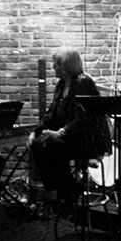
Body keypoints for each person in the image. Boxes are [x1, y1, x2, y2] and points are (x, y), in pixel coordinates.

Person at [30, 46, 110, 211]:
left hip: (85, 138)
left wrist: (61, 132)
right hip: (67, 137)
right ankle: (64, 189)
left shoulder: (83, 82)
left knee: (53, 145)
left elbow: (85, 118)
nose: (52, 67)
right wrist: (36, 131)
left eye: (55, 63)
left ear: (64, 66)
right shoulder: (61, 84)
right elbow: (51, 113)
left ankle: (65, 193)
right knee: (37, 143)